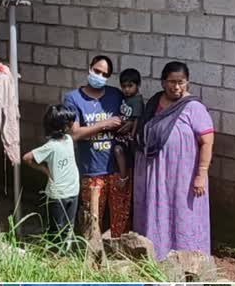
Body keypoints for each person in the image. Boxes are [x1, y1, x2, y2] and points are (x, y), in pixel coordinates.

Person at [133, 61, 215, 260]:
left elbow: (207, 142)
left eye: (181, 82)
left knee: (183, 213)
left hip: (183, 178)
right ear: (163, 82)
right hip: (155, 175)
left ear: (187, 83)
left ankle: (187, 257)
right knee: (157, 210)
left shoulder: (194, 107)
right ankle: (156, 254)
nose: (176, 87)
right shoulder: (154, 103)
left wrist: (201, 175)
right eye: (171, 82)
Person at [63, 55, 130, 237]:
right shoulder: (73, 99)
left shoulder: (115, 95)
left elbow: (128, 118)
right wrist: (104, 124)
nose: (99, 76)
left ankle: (118, 255)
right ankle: (90, 256)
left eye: (104, 74)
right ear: (89, 68)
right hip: (92, 170)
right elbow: (75, 134)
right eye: (96, 71)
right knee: (92, 218)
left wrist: (126, 125)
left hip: (118, 169)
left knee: (120, 217)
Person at [22, 104, 80, 245]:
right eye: (71, 123)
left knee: (68, 226)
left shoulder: (68, 139)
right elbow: (27, 158)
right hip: (58, 194)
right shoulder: (51, 146)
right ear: (64, 127)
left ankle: (65, 252)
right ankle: (54, 253)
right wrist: (44, 170)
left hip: (73, 190)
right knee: (56, 228)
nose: (73, 125)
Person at [113, 68, 144, 190]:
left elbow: (136, 119)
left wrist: (132, 134)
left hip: (128, 136)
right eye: (124, 86)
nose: (126, 89)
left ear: (138, 85)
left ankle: (123, 177)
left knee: (118, 151)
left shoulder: (137, 101)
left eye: (130, 86)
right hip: (121, 133)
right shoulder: (125, 98)